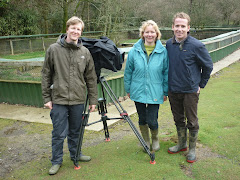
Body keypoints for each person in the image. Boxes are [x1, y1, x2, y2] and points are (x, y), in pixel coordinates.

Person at [41, 16, 98, 175]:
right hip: (58, 99)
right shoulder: (53, 49)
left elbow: (91, 78)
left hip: (78, 99)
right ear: (67, 29)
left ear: (81, 32)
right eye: (73, 28)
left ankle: (76, 154)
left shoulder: (85, 52)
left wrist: (93, 99)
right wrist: (47, 98)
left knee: (76, 131)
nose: (75, 31)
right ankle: (56, 161)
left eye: (78, 29)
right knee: (58, 133)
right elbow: (46, 74)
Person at [166, 12, 213, 163]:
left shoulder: (197, 45)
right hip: (173, 89)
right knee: (178, 118)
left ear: (188, 28)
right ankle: (182, 144)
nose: (179, 29)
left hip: (190, 91)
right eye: (177, 26)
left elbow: (208, 66)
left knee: (191, 121)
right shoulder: (168, 44)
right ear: (172, 27)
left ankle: (192, 149)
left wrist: (201, 84)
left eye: (183, 26)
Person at [124, 20, 169, 152]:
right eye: (147, 32)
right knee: (142, 118)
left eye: (152, 32)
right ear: (143, 34)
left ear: (157, 34)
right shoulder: (134, 51)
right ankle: (146, 140)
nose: (150, 34)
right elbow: (128, 72)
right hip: (138, 90)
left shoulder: (163, 52)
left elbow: (166, 72)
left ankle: (155, 139)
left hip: (156, 90)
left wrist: (165, 91)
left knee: (152, 119)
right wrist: (128, 89)